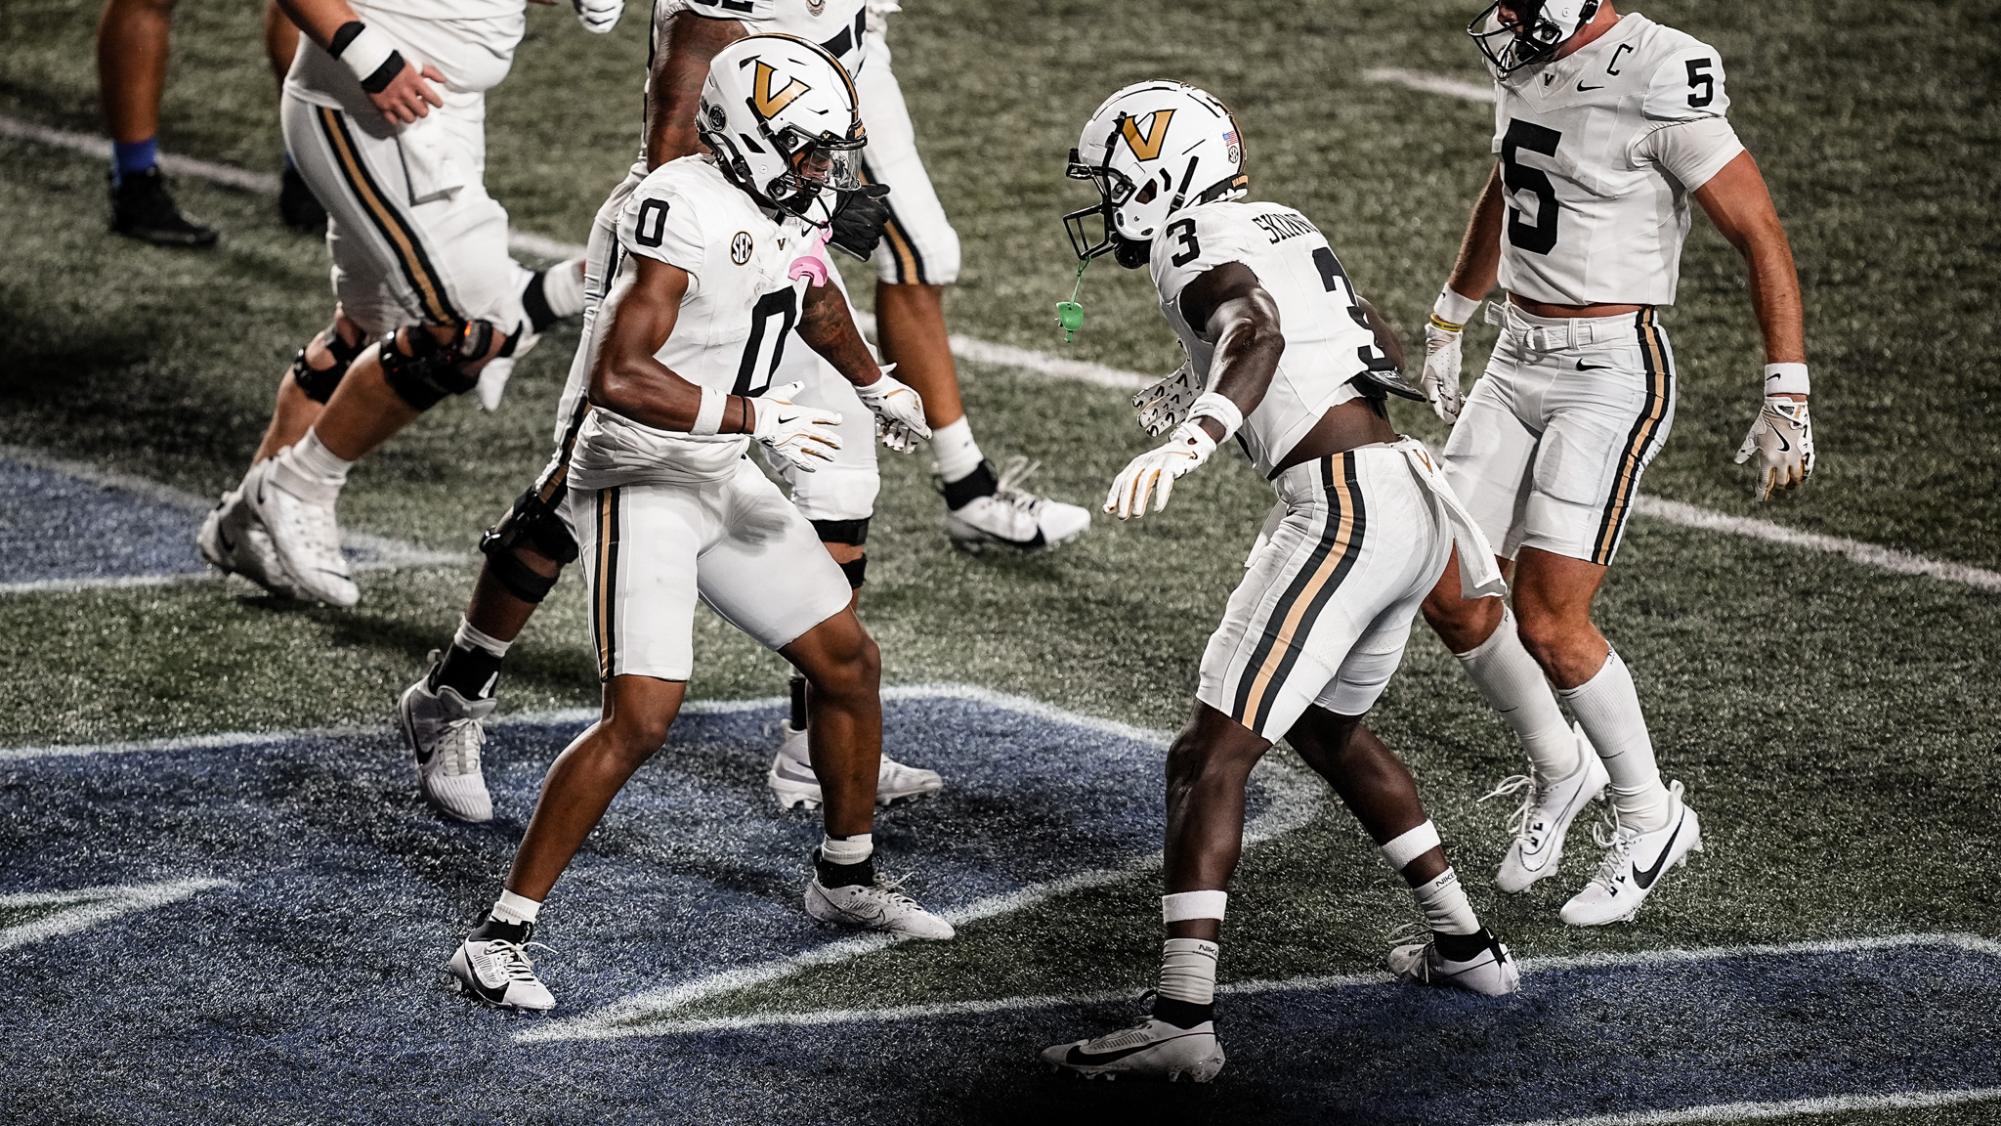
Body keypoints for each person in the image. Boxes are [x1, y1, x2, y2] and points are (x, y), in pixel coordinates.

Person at [444, 35, 953, 1011]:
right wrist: (759, 414)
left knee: (848, 662)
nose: (824, 171)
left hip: (717, 468)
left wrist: (874, 382)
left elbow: (807, 290)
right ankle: (499, 936)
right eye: (808, 149)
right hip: (640, 475)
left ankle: (844, 879)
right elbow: (621, 377)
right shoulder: (680, 203)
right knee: (640, 718)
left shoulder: (776, 202)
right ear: (751, 136)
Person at [1037, 82, 1519, 1082]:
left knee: (1203, 756)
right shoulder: (1276, 217)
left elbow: (1255, 330)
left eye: (1115, 174)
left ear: (1160, 169)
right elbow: (1369, 343)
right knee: (1324, 727)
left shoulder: (1186, 239)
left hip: (1339, 506)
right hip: (1404, 499)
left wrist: (1198, 430)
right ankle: (1467, 948)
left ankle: (1181, 1016)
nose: (1106, 198)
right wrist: (1211, 374)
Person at [1416, 0, 1812, 925]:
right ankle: (1563, 766)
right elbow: (1506, 186)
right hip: (1515, 354)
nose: (1503, 18)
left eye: (1520, 3)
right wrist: (1450, 314)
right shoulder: (1526, 60)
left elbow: (1758, 231)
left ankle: (1651, 817)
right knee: (1446, 583)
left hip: (1608, 369)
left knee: (1551, 620)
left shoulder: (1662, 69)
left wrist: (1785, 391)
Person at [195, 0, 605, 606]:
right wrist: (368, 57)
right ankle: (296, 488)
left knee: (373, 325)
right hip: (363, 98)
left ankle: (247, 524)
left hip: (440, 107)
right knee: (471, 326)